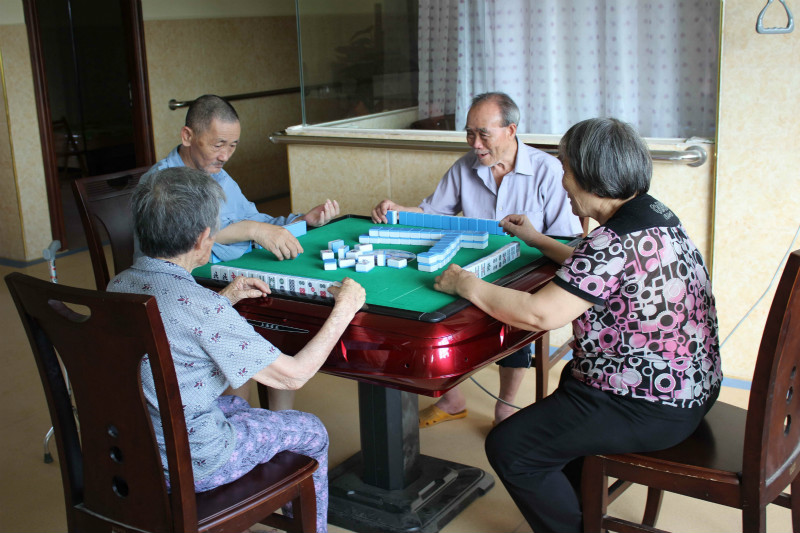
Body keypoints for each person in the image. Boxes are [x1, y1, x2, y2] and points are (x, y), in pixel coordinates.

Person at [432, 117, 722, 532]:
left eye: (565, 169)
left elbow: (539, 313)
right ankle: (577, 498)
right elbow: (603, 270)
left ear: (589, 174)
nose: (563, 181)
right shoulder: (651, 215)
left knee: (510, 447)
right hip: (692, 385)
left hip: (650, 405)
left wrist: (467, 285)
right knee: (570, 380)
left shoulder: (611, 241)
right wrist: (539, 240)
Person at [110, 167, 365, 533]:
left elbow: (172, 328)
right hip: (193, 462)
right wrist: (345, 308)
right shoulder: (201, 307)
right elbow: (293, 376)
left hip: (131, 452)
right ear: (202, 239)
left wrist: (225, 298)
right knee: (312, 430)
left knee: (240, 407)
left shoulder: (118, 285)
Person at [372, 92, 583, 427]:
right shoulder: (464, 167)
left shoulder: (548, 171)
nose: (475, 143)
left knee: (513, 319)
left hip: (525, 273)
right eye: (470, 133)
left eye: (484, 134)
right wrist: (399, 210)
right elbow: (431, 212)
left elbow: (567, 242)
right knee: (428, 312)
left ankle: (506, 406)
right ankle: (452, 398)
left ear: (511, 130)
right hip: (472, 271)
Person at [144, 94, 340, 263]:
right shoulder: (161, 183)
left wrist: (301, 220)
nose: (225, 156)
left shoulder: (216, 174)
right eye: (218, 145)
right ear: (187, 136)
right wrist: (253, 231)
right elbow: (191, 239)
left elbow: (253, 219)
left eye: (232, 145)